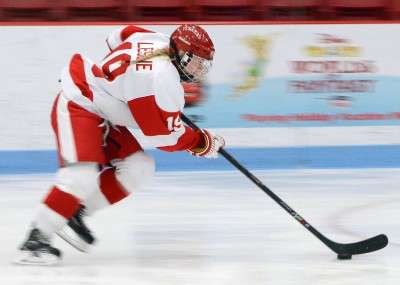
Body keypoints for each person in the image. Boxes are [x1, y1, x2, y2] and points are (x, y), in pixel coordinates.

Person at [14, 24, 225, 265]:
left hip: (103, 111)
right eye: (195, 61)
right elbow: (164, 138)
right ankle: (36, 240)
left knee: (139, 167)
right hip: (81, 103)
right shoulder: (161, 78)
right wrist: (201, 142)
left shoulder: (158, 40)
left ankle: (75, 211)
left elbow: (118, 36)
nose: (198, 70)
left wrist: (121, 81)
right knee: (81, 175)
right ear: (180, 52)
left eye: (202, 64)